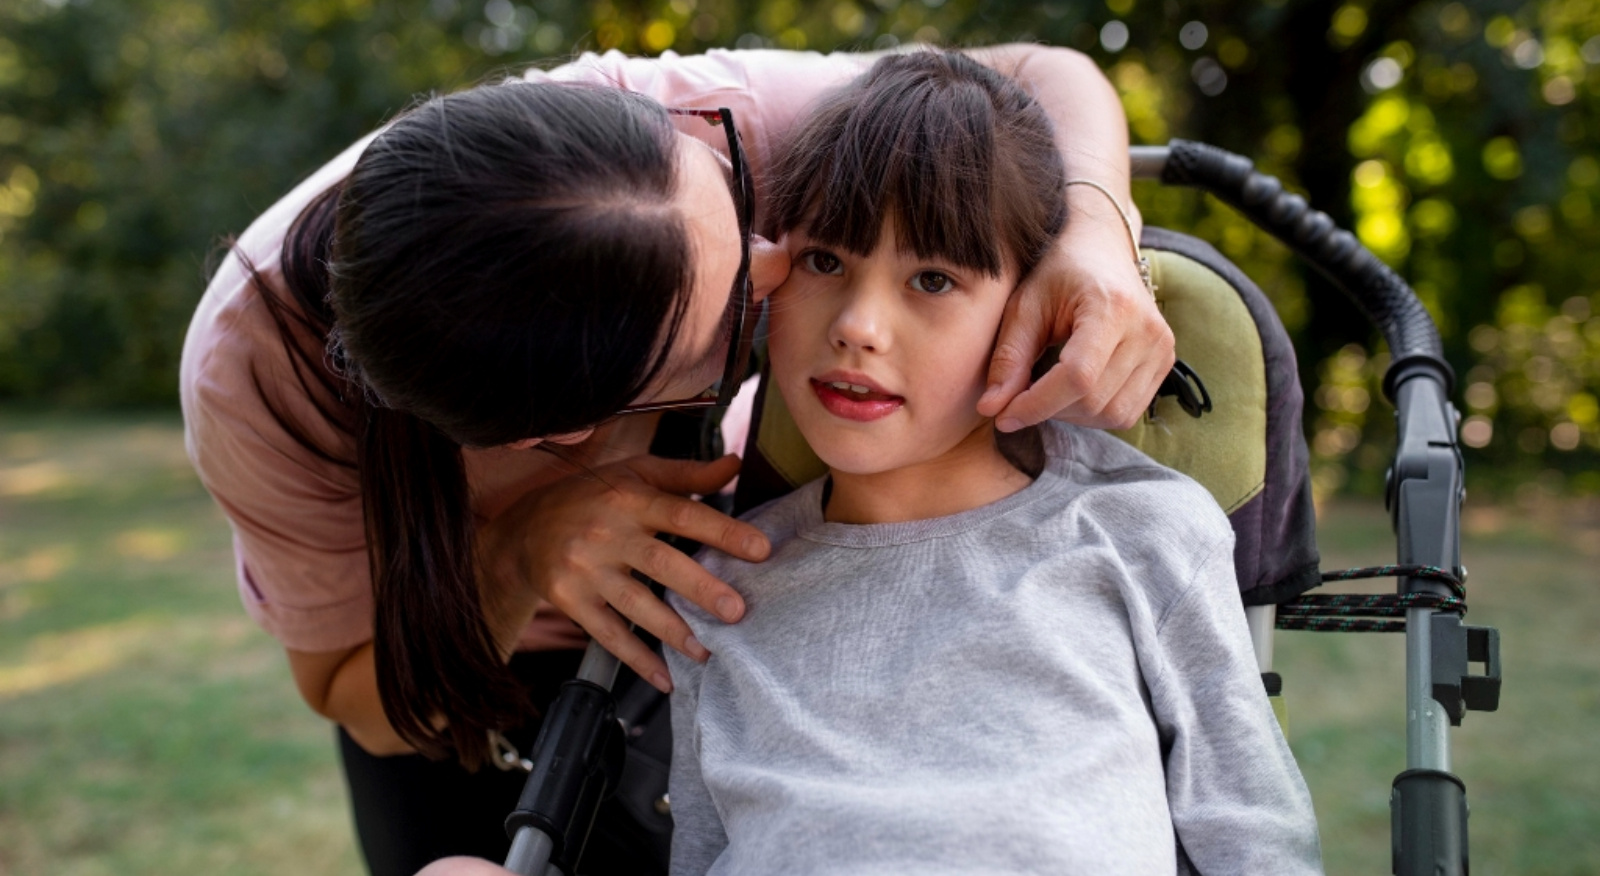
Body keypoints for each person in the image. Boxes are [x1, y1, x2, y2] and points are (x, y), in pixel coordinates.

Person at [180, 44, 1174, 876]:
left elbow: (1041, 71)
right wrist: (520, 557)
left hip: (704, 617)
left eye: (747, 216)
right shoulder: (254, 380)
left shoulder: (688, 127)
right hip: (466, 680)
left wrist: (1096, 226)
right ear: (574, 433)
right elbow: (351, 692)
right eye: (744, 300)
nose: (785, 265)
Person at [663, 50, 1324, 875]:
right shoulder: (717, 591)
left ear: (1033, 313)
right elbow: (697, 849)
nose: (860, 325)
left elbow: (1253, 835)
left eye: (932, 280)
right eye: (825, 262)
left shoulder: (1138, 531)